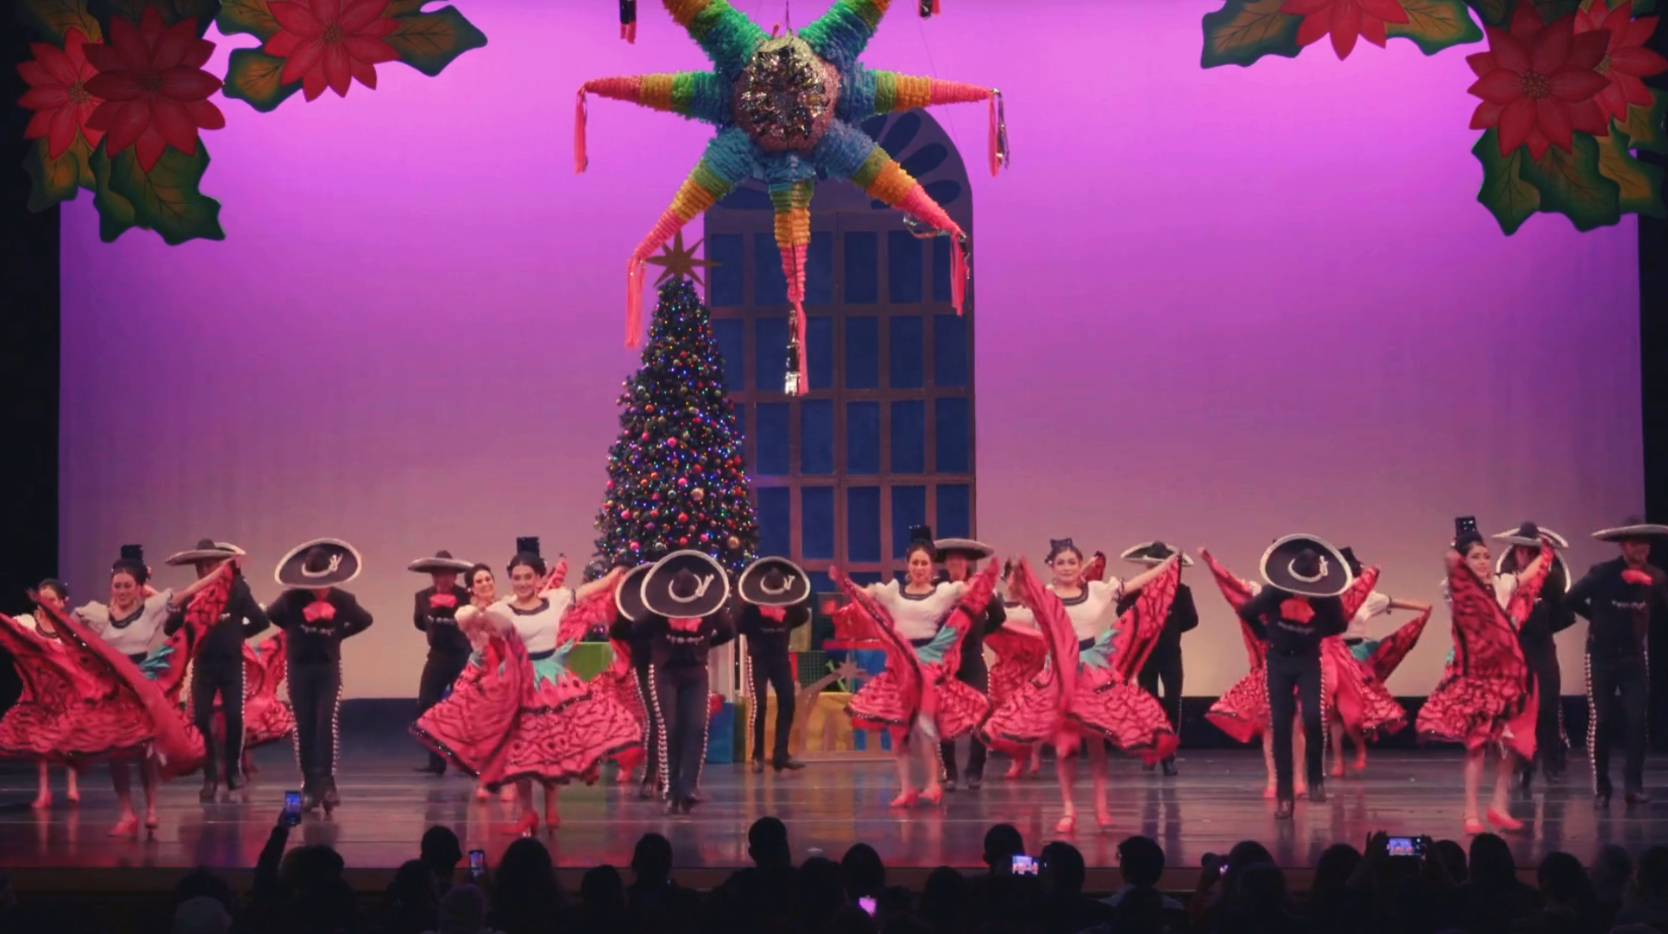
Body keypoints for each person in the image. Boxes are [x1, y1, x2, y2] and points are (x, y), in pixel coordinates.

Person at [983, 539, 1180, 832]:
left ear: (1080, 566)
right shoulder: (1046, 594)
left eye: (1072, 562)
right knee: (1066, 748)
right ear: (1052, 566)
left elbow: (1134, 585)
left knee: (1096, 743)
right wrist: (1018, 573)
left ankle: (1101, 807)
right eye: (1061, 562)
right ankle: (1068, 809)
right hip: (1058, 675)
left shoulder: (1096, 591)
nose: (1066, 567)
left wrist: (1167, 565)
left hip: (1090, 671)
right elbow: (1020, 593)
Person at [463, 538, 637, 833]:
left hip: (551, 680)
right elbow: (478, 624)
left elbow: (590, 590)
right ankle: (527, 813)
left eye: (527, 577)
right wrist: (472, 616)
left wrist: (614, 574)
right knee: (521, 751)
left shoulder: (556, 599)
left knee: (549, 748)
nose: (522, 583)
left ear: (539, 578)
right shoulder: (503, 607)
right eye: (516, 578)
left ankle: (552, 809)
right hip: (518, 681)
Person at [75, 545, 232, 834]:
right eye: (117, 586)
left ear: (138, 588)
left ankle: (150, 809)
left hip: (142, 685)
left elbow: (189, 591)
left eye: (127, 586)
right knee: (117, 754)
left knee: (145, 751)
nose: (122, 591)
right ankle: (126, 813)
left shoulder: (149, 610)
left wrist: (223, 571)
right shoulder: (96, 614)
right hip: (113, 689)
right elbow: (69, 629)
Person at [839, 526, 999, 808]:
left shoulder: (943, 592)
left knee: (925, 727)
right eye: (915, 563)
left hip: (928, 665)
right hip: (900, 665)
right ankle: (906, 789)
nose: (920, 568)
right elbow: (868, 594)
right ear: (908, 565)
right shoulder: (893, 592)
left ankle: (933, 784)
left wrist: (985, 581)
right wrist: (848, 585)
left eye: (924, 563)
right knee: (898, 730)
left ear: (931, 566)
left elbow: (970, 591)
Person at [1418, 519, 1552, 834]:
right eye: (1476, 557)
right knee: (1477, 744)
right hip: (1475, 675)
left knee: (1508, 741)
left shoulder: (1502, 583)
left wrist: (1546, 552)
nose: (1483, 562)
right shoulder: (1453, 589)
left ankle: (1499, 805)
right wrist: (1456, 552)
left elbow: (1528, 575)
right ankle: (1470, 812)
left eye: (1486, 556)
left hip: (1505, 675)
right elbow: (1454, 572)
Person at [1235, 534, 1352, 819]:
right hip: (1278, 662)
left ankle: (1315, 780)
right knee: (1281, 725)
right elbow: (1246, 611)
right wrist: (1266, 634)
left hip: (1308, 661)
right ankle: (1285, 796)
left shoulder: (1326, 598)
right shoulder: (1274, 593)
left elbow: (1340, 625)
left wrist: (1315, 632)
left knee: (1312, 716)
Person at [264, 538, 374, 813]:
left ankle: (327, 781)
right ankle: (310, 784)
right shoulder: (291, 599)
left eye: (323, 584)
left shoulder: (343, 600)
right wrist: (295, 630)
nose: (319, 590)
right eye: (314, 585)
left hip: (327, 669)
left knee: (324, 723)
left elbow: (365, 620)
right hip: (299, 670)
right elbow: (272, 615)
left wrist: (338, 634)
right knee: (304, 726)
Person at [1565, 516, 1668, 807]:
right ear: (1623, 545)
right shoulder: (1602, 574)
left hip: (1634, 657)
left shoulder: (1656, 576)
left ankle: (1633, 786)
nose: (1641, 549)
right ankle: (1601, 788)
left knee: (1637, 720)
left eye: (1645, 544)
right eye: (1635, 543)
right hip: (1601, 656)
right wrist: (1597, 618)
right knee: (1603, 719)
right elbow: (1570, 599)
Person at [163, 539, 271, 801]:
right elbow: (170, 629)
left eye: (209, 564)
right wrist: (177, 609)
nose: (205, 569)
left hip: (231, 664)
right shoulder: (192, 595)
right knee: (200, 719)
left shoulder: (237, 588)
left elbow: (261, 620)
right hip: (204, 665)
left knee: (234, 717)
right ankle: (209, 774)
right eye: (200, 566)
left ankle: (233, 769)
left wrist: (237, 635)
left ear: (219, 565)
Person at [634, 550, 735, 814]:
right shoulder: (657, 610)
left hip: (695, 674)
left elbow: (728, 630)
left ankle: (688, 786)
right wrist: (655, 650)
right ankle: (671, 789)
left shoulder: (710, 609)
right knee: (671, 728)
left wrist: (705, 645)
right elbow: (635, 629)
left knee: (697, 727)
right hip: (666, 674)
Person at [1329, 545, 1432, 778]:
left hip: (1356, 653)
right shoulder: (1328, 596)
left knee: (1349, 709)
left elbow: (1392, 602)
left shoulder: (1366, 595)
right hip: (1332, 654)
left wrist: (1422, 607)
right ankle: (1338, 760)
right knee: (1334, 712)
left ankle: (1359, 749)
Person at [1487, 523, 1577, 791]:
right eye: (1520, 550)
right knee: (1519, 710)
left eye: (1530, 551)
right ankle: (1524, 767)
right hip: (1515, 651)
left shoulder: (1551, 581)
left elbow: (1565, 614)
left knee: (1548, 706)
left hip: (1542, 649)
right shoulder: (1506, 580)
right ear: (1515, 551)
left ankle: (1551, 763)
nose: (1524, 555)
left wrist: (1543, 627)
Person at [1118, 541, 1197, 777]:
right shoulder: (1137, 589)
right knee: (1148, 704)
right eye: (1152, 565)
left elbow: (1192, 620)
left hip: (1171, 654)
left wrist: (1169, 628)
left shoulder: (1181, 591)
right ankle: (1151, 752)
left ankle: (1169, 755)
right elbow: (1122, 613)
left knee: (1172, 702)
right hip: (1145, 655)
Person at [0, 580, 81, 809]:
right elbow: (7, 626)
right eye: (42, 599)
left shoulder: (69, 628)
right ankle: (44, 789)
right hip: (38, 690)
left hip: (65, 688)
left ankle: (72, 785)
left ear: (63, 602)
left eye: (51, 600)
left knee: (70, 737)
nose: (46, 604)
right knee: (40, 738)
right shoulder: (28, 622)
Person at [933, 536, 1004, 790]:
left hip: (972, 657)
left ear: (967, 563)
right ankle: (950, 771)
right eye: (951, 559)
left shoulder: (980, 588)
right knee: (944, 712)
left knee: (982, 709)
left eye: (960, 559)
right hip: (944, 659)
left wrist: (979, 633)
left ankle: (975, 769)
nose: (955, 563)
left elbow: (999, 616)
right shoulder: (938, 591)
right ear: (946, 563)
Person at [734, 556, 811, 774]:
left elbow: (802, 616)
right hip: (757, 659)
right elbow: (737, 625)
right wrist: (749, 604)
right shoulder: (752, 609)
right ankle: (757, 755)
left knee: (787, 702)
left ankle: (780, 755)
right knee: (759, 705)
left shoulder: (790, 609)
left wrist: (792, 598)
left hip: (780, 659)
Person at [409, 551, 476, 776]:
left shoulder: (466, 596)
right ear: (433, 576)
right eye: (438, 575)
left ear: (455, 576)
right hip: (437, 656)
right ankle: (436, 762)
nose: (443, 579)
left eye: (447, 575)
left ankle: (468, 760)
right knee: (426, 703)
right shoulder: (422, 597)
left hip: (462, 657)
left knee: (465, 708)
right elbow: (420, 623)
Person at [985, 563, 1046, 780]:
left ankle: (1035, 754)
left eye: (1021, 576)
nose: (1017, 580)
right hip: (1006, 665)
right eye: (1013, 576)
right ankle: (1017, 758)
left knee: (1032, 711)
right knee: (1011, 712)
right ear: (1005, 578)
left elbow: (1041, 633)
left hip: (1030, 664)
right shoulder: (998, 602)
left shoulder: (1033, 603)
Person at [605, 563, 658, 797]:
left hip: (651, 661)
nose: (622, 580)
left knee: (653, 718)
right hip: (624, 665)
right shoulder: (610, 602)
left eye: (626, 576)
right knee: (626, 719)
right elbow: (615, 632)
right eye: (618, 576)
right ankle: (627, 765)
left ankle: (654, 767)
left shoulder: (649, 598)